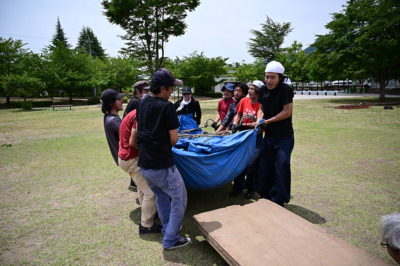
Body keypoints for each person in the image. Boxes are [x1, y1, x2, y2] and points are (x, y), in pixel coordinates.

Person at [137, 68, 190, 250]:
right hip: (161, 165)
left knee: (161, 196)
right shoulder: (167, 107)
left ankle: (168, 229)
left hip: (144, 164)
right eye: (170, 88)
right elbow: (174, 139)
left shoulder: (142, 103)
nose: (171, 92)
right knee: (180, 198)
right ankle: (171, 239)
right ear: (162, 88)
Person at [256, 61, 294, 207]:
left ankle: (279, 200)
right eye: (267, 77)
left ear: (280, 77)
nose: (269, 80)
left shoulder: (285, 90)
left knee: (282, 166)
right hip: (269, 136)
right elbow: (261, 109)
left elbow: (287, 111)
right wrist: (260, 119)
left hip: (284, 137)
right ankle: (266, 196)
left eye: (273, 77)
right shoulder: (264, 90)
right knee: (265, 166)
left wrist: (268, 121)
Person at [118, 109, 162, 234]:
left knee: (142, 188)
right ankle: (146, 225)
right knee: (151, 193)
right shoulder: (139, 115)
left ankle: (148, 214)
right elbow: (133, 141)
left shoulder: (135, 112)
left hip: (125, 158)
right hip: (131, 159)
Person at [229, 80, 263, 198]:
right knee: (238, 161)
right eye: (249, 88)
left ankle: (251, 189)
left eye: (252, 89)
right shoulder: (244, 101)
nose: (249, 91)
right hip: (242, 135)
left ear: (258, 91)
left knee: (251, 164)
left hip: (255, 137)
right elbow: (238, 114)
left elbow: (258, 123)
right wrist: (235, 125)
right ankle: (238, 187)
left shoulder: (261, 104)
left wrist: (244, 125)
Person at [123, 81, 150, 191]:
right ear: (137, 91)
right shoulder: (136, 103)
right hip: (132, 141)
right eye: (145, 91)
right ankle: (135, 184)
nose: (148, 93)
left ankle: (136, 184)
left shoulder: (135, 101)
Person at [100, 88, 125, 167]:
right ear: (111, 103)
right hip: (126, 159)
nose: (122, 101)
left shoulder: (108, 117)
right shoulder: (113, 120)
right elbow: (128, 136)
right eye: (118, 99)